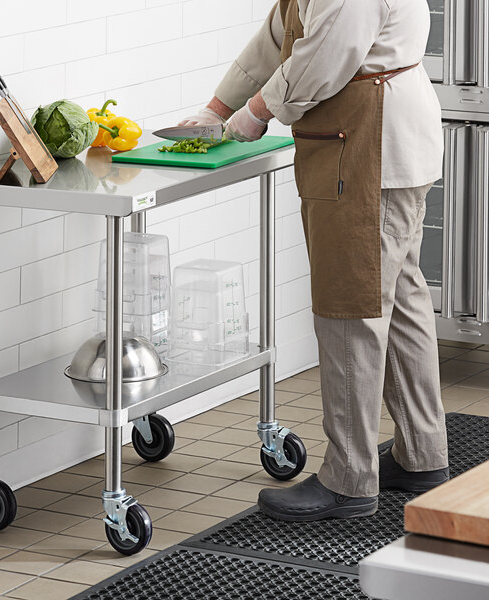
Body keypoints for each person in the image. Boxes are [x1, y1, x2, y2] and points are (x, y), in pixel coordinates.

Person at [180, 0, 450, 521]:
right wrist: (216, 107)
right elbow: (279, 38)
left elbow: (322, 57)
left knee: (349, 306)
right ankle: (421, 453)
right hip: (383, 142)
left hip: (369, 145)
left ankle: (349, 479)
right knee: (398, 299)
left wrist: (255, 113)